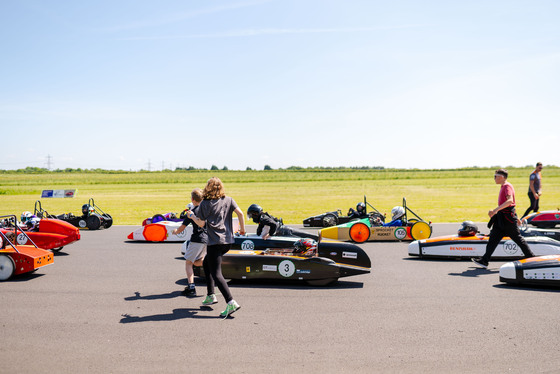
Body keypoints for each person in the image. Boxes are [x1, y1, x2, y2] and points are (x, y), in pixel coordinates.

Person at [187, 177, 246, 318]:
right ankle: (210, 294)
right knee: (207, 263)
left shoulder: (205, 204)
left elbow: (201, 224)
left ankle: (230, 301)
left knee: (216, 273)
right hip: (228, 241)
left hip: (215, 242)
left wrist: (191, 216)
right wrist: (242, 230)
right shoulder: (229, 200)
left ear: (208, 188)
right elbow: (241, 213)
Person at [472, 169, 535, 269]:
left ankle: (531, 258)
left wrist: (496, 210)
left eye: (495, 176)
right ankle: (484, 260)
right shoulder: (504, 186)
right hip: (502, 218)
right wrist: (517, 217)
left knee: (518, 239)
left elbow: (510, 201)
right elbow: (510, 204)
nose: (494, 178)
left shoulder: (507, 186)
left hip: (508, 219)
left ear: (501, 177)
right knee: (493, 239)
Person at [172, 188, 208, 297]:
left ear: (193, 199)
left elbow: (182, 228)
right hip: (206, 240)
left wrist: (175, 232)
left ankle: (191, 287)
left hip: (197, 239)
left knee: (188, 262)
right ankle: (209, 263)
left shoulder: (191, 212)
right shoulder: (206, 210)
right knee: (197, 261)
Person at [247, 204, 320, 241]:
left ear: (255, 214)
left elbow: (274, 224)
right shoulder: (262, 219)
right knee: (309, 237)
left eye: (251, 215)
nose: (251, 217)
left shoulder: (263, 219)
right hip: (282, 229)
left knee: (307, 238)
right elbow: (260, 229)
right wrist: (258, 233)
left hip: (284, 231)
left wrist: (269, 234)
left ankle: (319, 239)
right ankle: (318, 238)